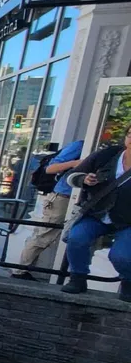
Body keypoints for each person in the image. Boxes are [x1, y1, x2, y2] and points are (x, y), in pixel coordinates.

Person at [61, 127, 131, 301]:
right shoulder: (107, 155)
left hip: (128, 221)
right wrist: (83, 179)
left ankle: (128, 282)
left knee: (121, 256)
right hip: (97, 214)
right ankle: (78, 278)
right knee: (77, 238)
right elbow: (70, 176)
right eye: (130, 134)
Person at [11, 140, 84, 281]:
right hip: (63, 197)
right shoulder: (80, 145)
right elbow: (50, 168)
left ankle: (24, 269)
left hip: (80, 199)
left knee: (72, 237)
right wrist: (75, 164)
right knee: (44, 235)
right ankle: (19, 271)